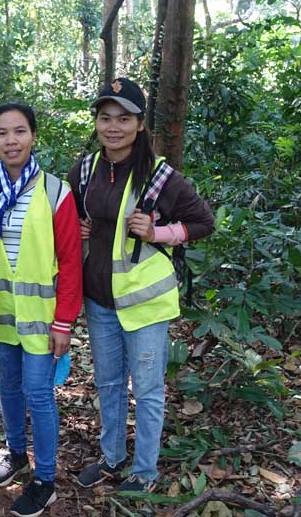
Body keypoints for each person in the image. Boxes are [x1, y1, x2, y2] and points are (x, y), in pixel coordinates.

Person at [69, 77, 215, 494]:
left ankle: (145, 472)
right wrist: (80, 230)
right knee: (109, 383)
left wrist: (159, 234)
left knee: (147, 389)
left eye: (124, 118)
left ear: (139, 124)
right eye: (105, 118)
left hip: (146, 304)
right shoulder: (85, 169)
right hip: (100, 301)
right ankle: (112, 458)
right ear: (96, 123)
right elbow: (76, 219)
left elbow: (204, 223)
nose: (113, 127)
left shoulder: (161, 176)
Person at [0, 103, 83, 517]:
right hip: (0, 312)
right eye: (2, 133)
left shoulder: (55, 191)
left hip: (43, 318)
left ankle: (46, 480)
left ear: (33, 136)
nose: (11, 140)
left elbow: (71, 261)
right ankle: (17, 454)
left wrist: (64, 322)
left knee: (39, 394)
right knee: (9, 388)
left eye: (19, 131)